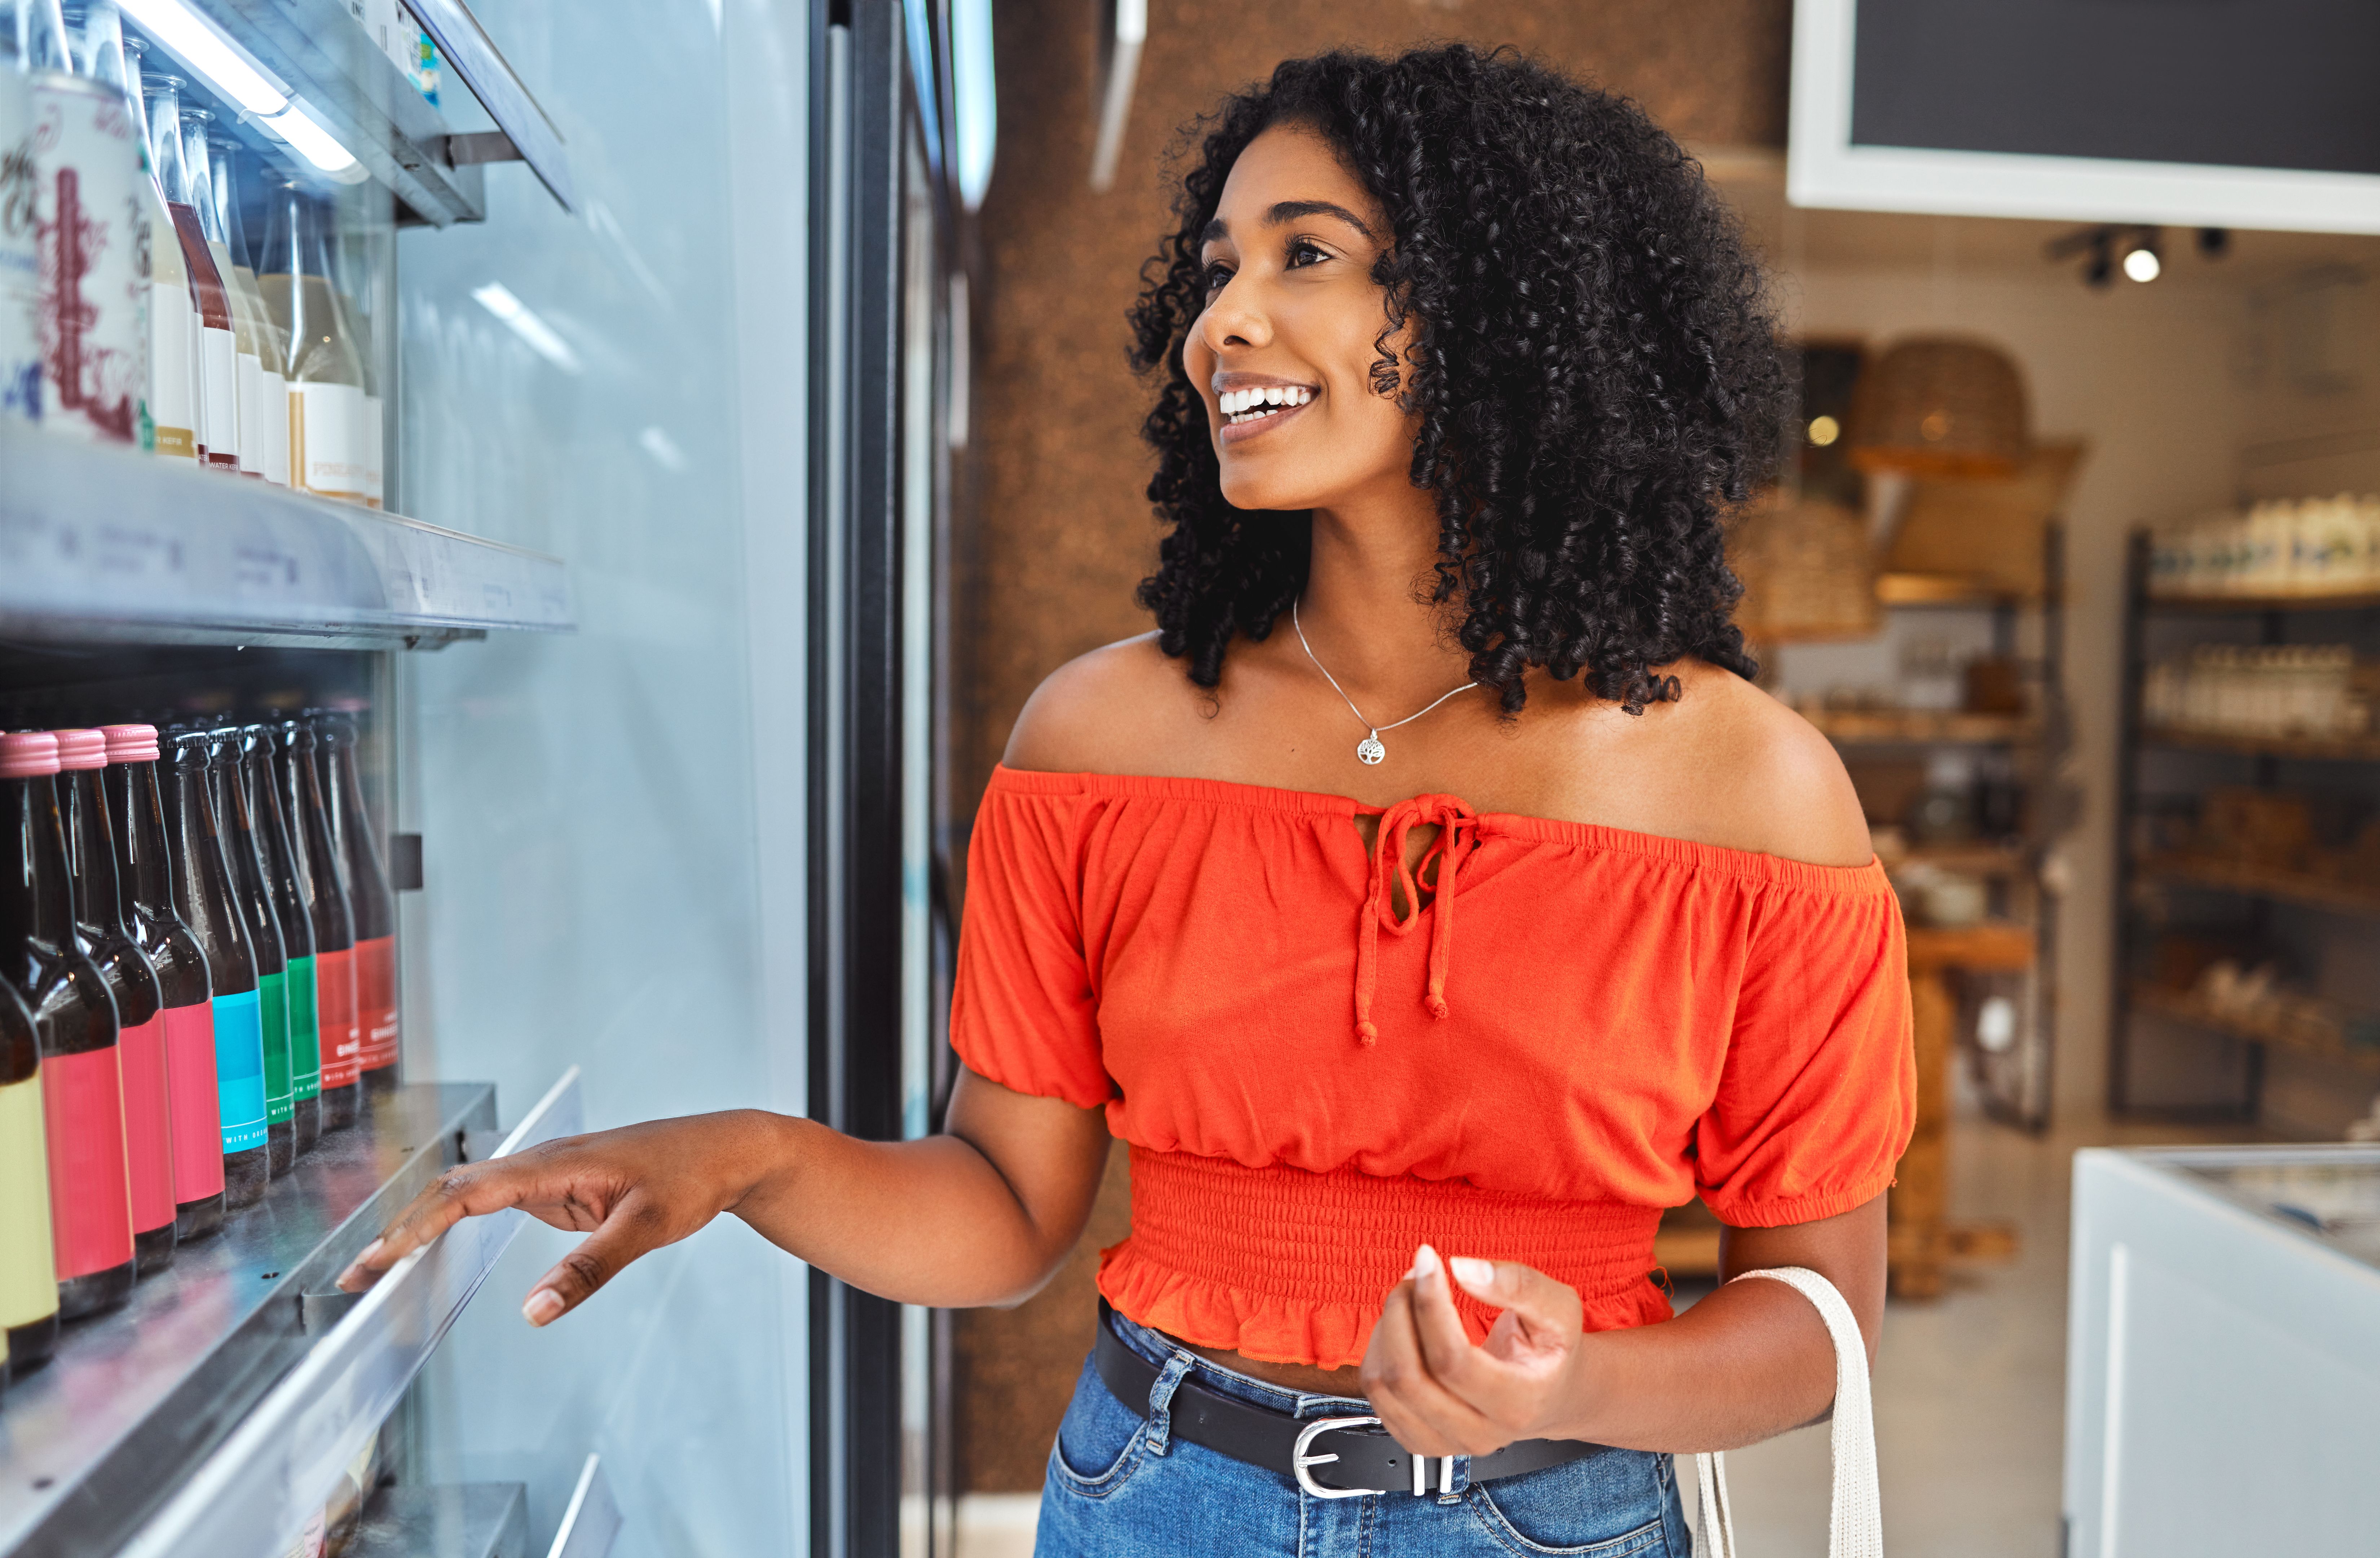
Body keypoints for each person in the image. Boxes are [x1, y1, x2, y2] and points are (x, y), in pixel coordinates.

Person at [343, 44, 1912, 1557]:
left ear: (1505, 315)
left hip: (1554, 1517)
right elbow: (1005, 1212)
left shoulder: (1755, 795)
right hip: (1154, 1499)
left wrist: (1581, 1381)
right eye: (1217, 268)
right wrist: (756, 1161)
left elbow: (1822, 1320)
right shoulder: (1098, 738)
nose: (1221, 323)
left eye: (1307, 256)